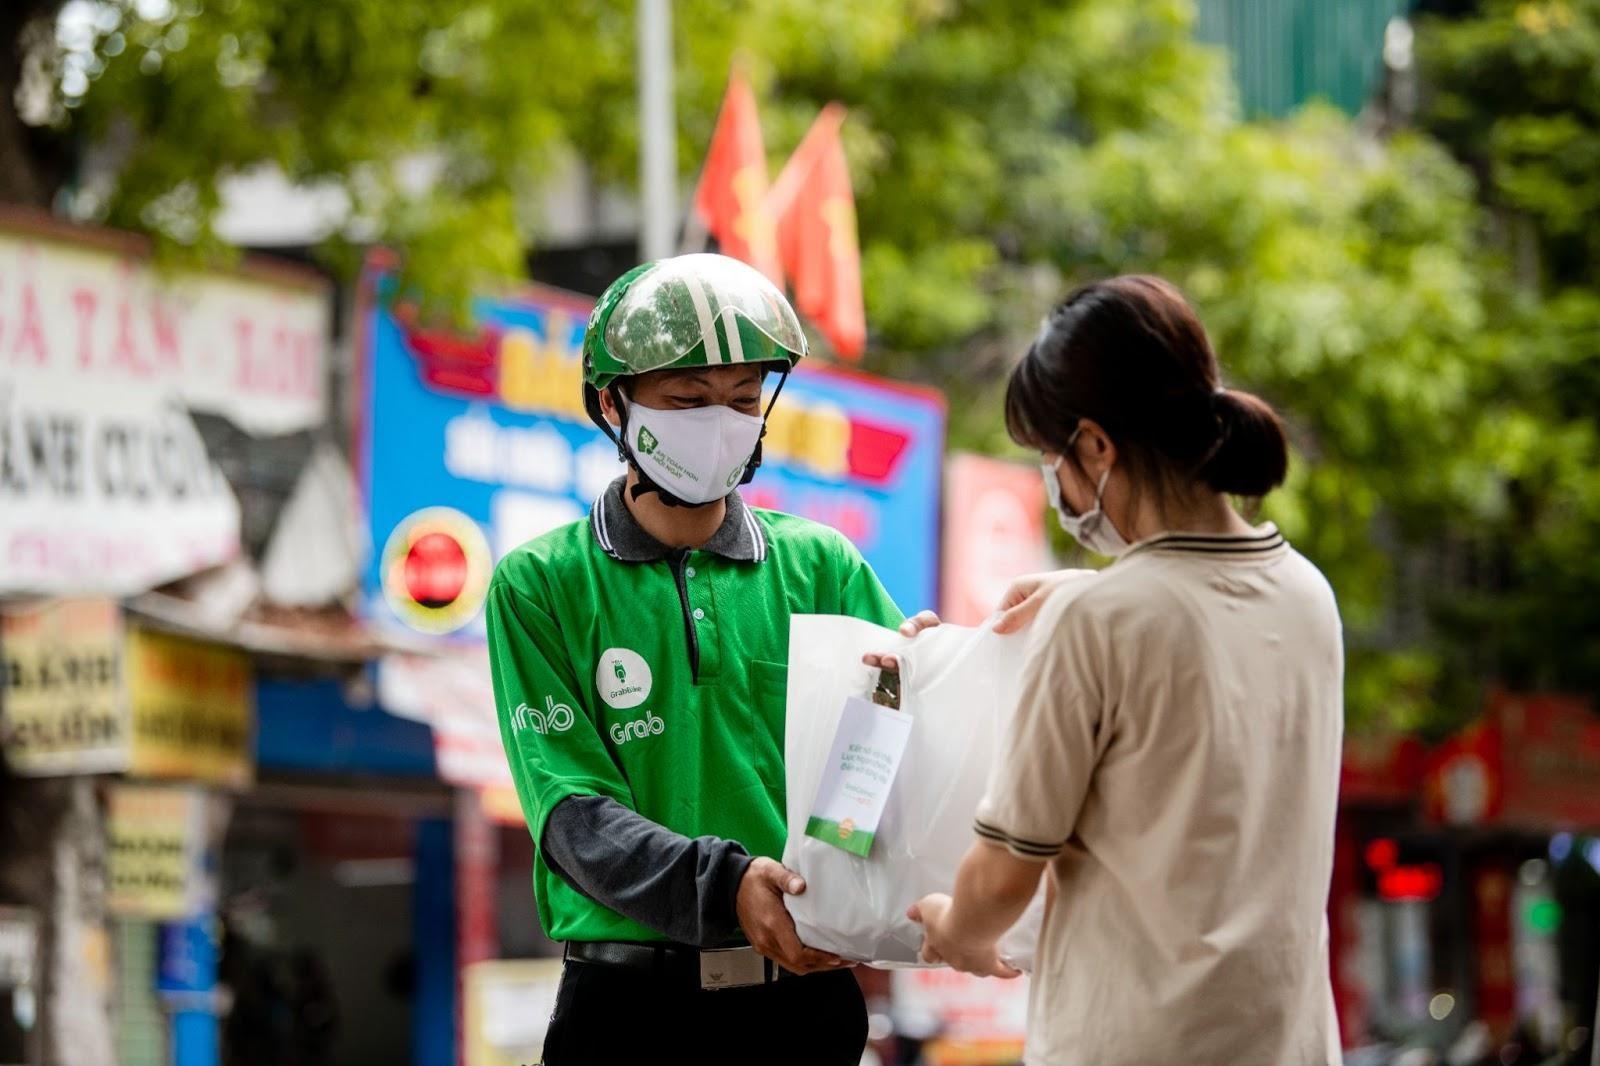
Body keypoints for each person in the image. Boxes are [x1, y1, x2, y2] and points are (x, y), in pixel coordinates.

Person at [487, 254, 935, 1064]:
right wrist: (728, 887)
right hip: (624, 1016)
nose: (721, 421)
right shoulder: (539, 586)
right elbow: (573, 817)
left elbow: (889, 752)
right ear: (609, 403)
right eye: (689, 400)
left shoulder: (823, 568)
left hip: (804, 1006)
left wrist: (927, 677)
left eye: (742, 400)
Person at [908, 275, 1344, 1065]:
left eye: (1052, 459)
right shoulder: (1308, 596)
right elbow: (1200, 622)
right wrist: (1094, 589)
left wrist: (952, 927)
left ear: (1097, 446)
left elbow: (1002, 879)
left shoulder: (1098, 624)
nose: (1058, 488)